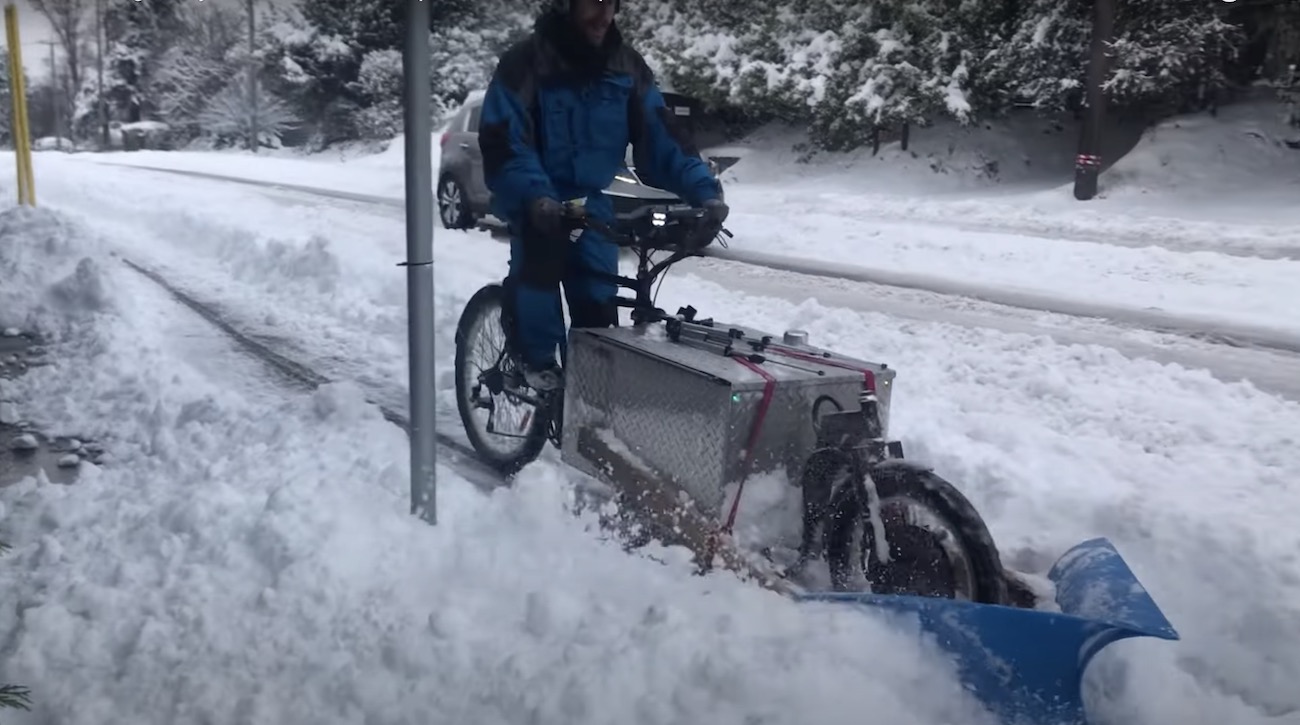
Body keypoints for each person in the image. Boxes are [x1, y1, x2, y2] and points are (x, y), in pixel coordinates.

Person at [478, 0, 729, 392]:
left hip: (581, 204)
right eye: (593, 4)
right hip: (535, 197)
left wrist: (705, 192)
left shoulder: (624, 67)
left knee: (596, 292)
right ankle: (536, 362)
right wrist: (537, 196)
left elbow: (661, 138)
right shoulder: (527, 62)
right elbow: (506, 143)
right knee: (540, 268)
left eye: (610, 4)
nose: (604, 15)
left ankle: (587, 386)